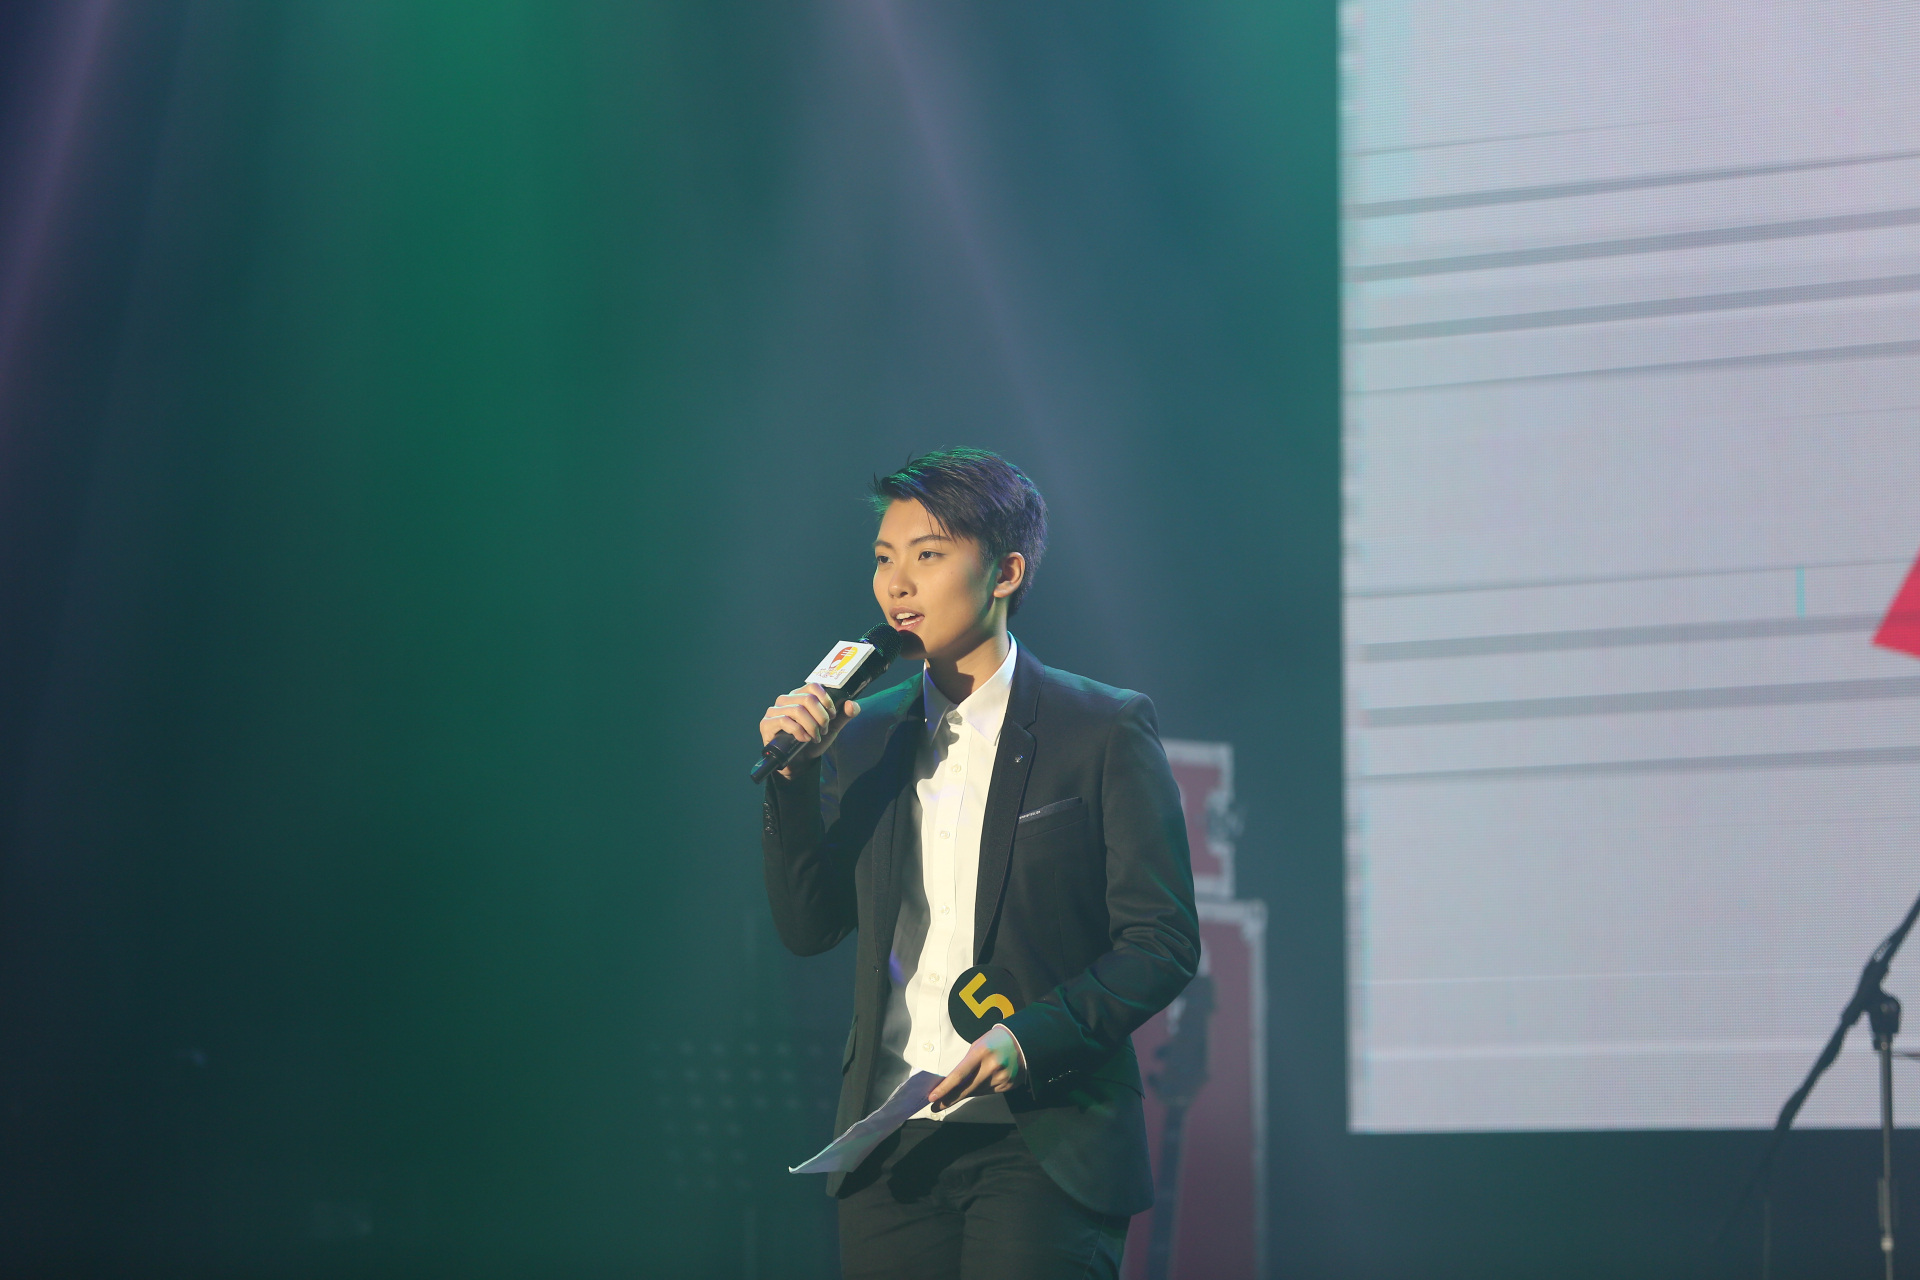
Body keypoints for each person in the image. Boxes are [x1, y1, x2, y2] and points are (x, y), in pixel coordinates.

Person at [758, 447, 1199, 1280]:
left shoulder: (1100, 728)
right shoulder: (865, 733)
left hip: (1044, 1137)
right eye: (884, 559)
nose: (897, 584)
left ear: (1007, 572)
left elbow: (1161, 942)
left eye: (927, 555)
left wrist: (1028, 1039)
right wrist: (793, 780)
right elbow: (810, 927)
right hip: (890, 1144)